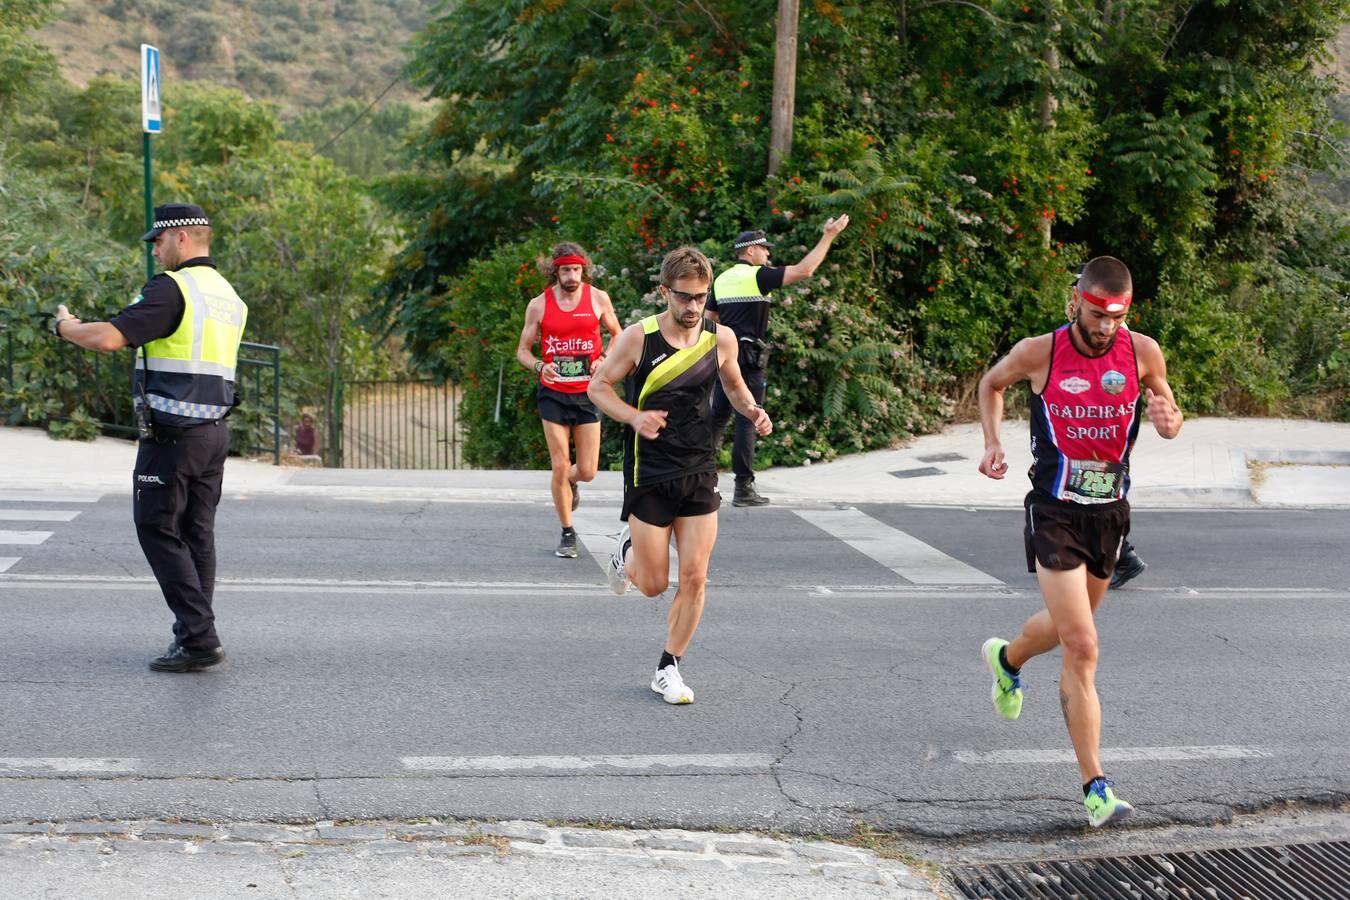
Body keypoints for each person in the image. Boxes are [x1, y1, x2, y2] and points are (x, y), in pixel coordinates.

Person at [975, 256, 1183, 826]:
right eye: (1097, 314)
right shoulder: (1039, 351)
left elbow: (1167, 410)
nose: (1107, 326)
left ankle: (1007, 658)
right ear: (1077, 303)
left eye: (1117, 317)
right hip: (1055, 511)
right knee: (1083, 646)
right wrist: (993, 442)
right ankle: (1096, 787)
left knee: (1073, 626)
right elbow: (991, 384)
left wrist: (1170, 420)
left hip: (1110, 514)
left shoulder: (1143, 351)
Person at [51, 203, 247, 673]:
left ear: (181, 238)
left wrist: (65, 327)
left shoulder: (172, 289)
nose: (154, 250)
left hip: (172, 435)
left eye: (157, 241)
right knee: (196, 533)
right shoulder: (228, 295)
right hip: (213, 433)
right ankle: (194, 632)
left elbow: (110, 338)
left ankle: (199, 636)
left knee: (157, 528)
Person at [588, 246, 771, 705]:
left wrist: (751, 408)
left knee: (695, 576)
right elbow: (598, 387)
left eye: (700, 298)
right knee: (652, 585)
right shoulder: (638, 338)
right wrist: (634, 418)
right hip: (649, 468)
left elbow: (731, 383)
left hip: (698, 466)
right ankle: (626, 552)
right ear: (665, 292)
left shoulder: (719, 338)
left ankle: (668, 668)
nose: (692, 308)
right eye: (684, 298)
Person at [706, 215, 849, 506]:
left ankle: (700, 479)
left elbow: (710, 321)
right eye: (764, 248)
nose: (768, 253)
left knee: (717, 419)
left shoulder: (720, 280)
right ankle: (744, 489)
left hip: (723, 359)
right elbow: (805, 270)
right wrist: (829, 236)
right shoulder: (758, 276)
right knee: (750, 418)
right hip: (751, 361)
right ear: (749, 251)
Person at [515, 242, 623, 558]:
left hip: (588, 392)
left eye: (576, 270)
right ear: (556, 272)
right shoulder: (539, 305)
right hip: (553, 393)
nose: (572, 276)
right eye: (566, 270)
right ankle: (567, 532)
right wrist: (539, 365)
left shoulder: (599, 298)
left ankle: (571, 483)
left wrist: (603, 357)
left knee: (587, 470)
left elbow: (618, 334)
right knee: (560, 465)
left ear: (583, 270)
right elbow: (523, 350)